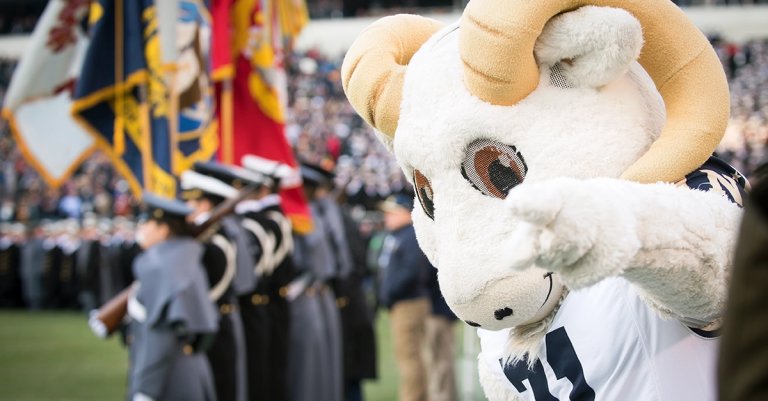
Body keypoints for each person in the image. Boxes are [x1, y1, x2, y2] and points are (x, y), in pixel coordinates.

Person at [126, 193, 218, 401]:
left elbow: (161, 336)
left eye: (147, 222)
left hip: (167, 381)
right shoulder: (185, 257)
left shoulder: (159, 265)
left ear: (163, 229)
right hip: (190, 371)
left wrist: (146, 390)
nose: (142, 229)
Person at [180, 170, 249, 401]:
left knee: (220, 388)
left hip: (215, 325)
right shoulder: (207, 239)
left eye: (192, 202)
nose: (187, 207)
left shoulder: (215, 244)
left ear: (206, 204)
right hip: (214, 322)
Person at [377, 193, 432, 401]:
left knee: (410, 357)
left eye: (392, 213)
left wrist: (391, 294)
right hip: (404, 302)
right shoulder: (399, 235)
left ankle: (413, 397)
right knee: (410, 357)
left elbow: (412, 272)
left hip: (408, 303)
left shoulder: (410, 235)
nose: (387, 217)